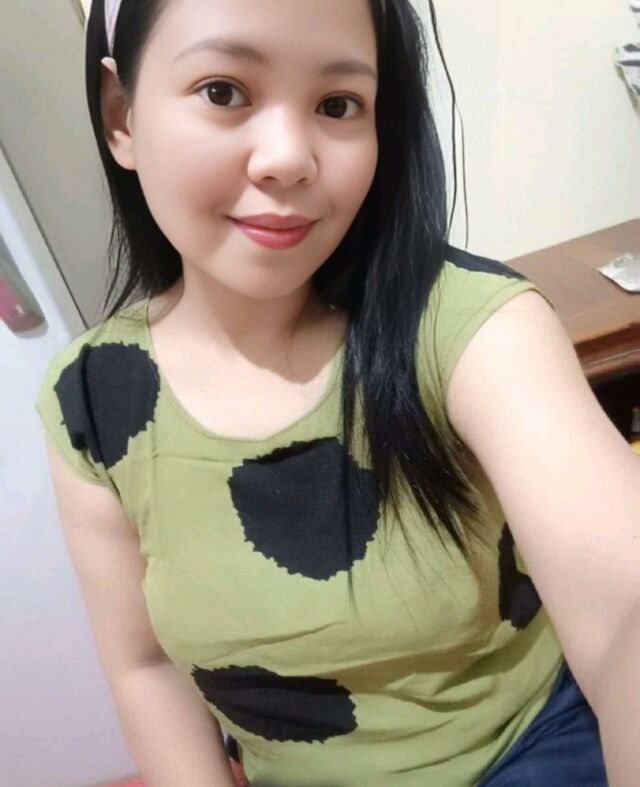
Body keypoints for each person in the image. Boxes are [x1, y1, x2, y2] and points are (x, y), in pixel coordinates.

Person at [34, 1, 640, 785]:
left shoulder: (469, 329)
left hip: (530, 753)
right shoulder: (92, 401)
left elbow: (625, 612)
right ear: (121, 115)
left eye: (338, 104)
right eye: (223, 91)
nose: (289, 158)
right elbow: (143, 666)